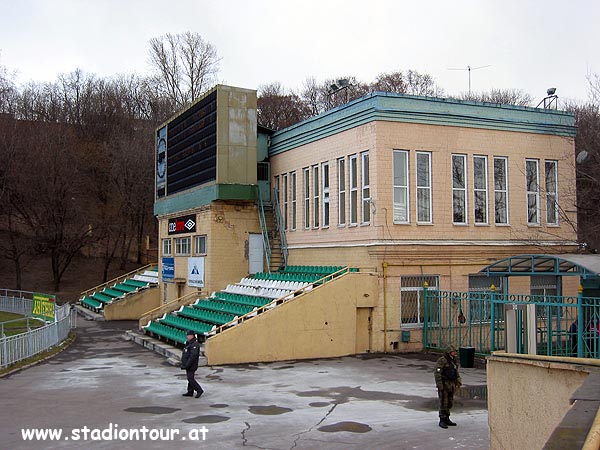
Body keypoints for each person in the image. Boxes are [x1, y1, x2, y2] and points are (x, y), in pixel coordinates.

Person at [434, 344, 462, 429]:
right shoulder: (442, 360)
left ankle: (447, 418)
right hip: (444, 384)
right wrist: (440, 385)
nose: (455, 353)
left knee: (450, 402)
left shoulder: (454, 360)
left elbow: (455, 371)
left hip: (451, 384)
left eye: (455, 351)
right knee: (443, 402)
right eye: (453, 351)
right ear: (449, 352)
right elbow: (437, 373)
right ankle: (442, 419)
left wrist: (458, 380)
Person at [181, 330, 204, 398]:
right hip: (188, 363)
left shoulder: (195, 344)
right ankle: (190, 391)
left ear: (192, 336)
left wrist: (187, 364)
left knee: (190, 378)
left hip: (191, 364)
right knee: (190, 378)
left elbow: (193, 356)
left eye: (188, 335)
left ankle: (199, 390)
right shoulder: (189, 343)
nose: (187, 337)